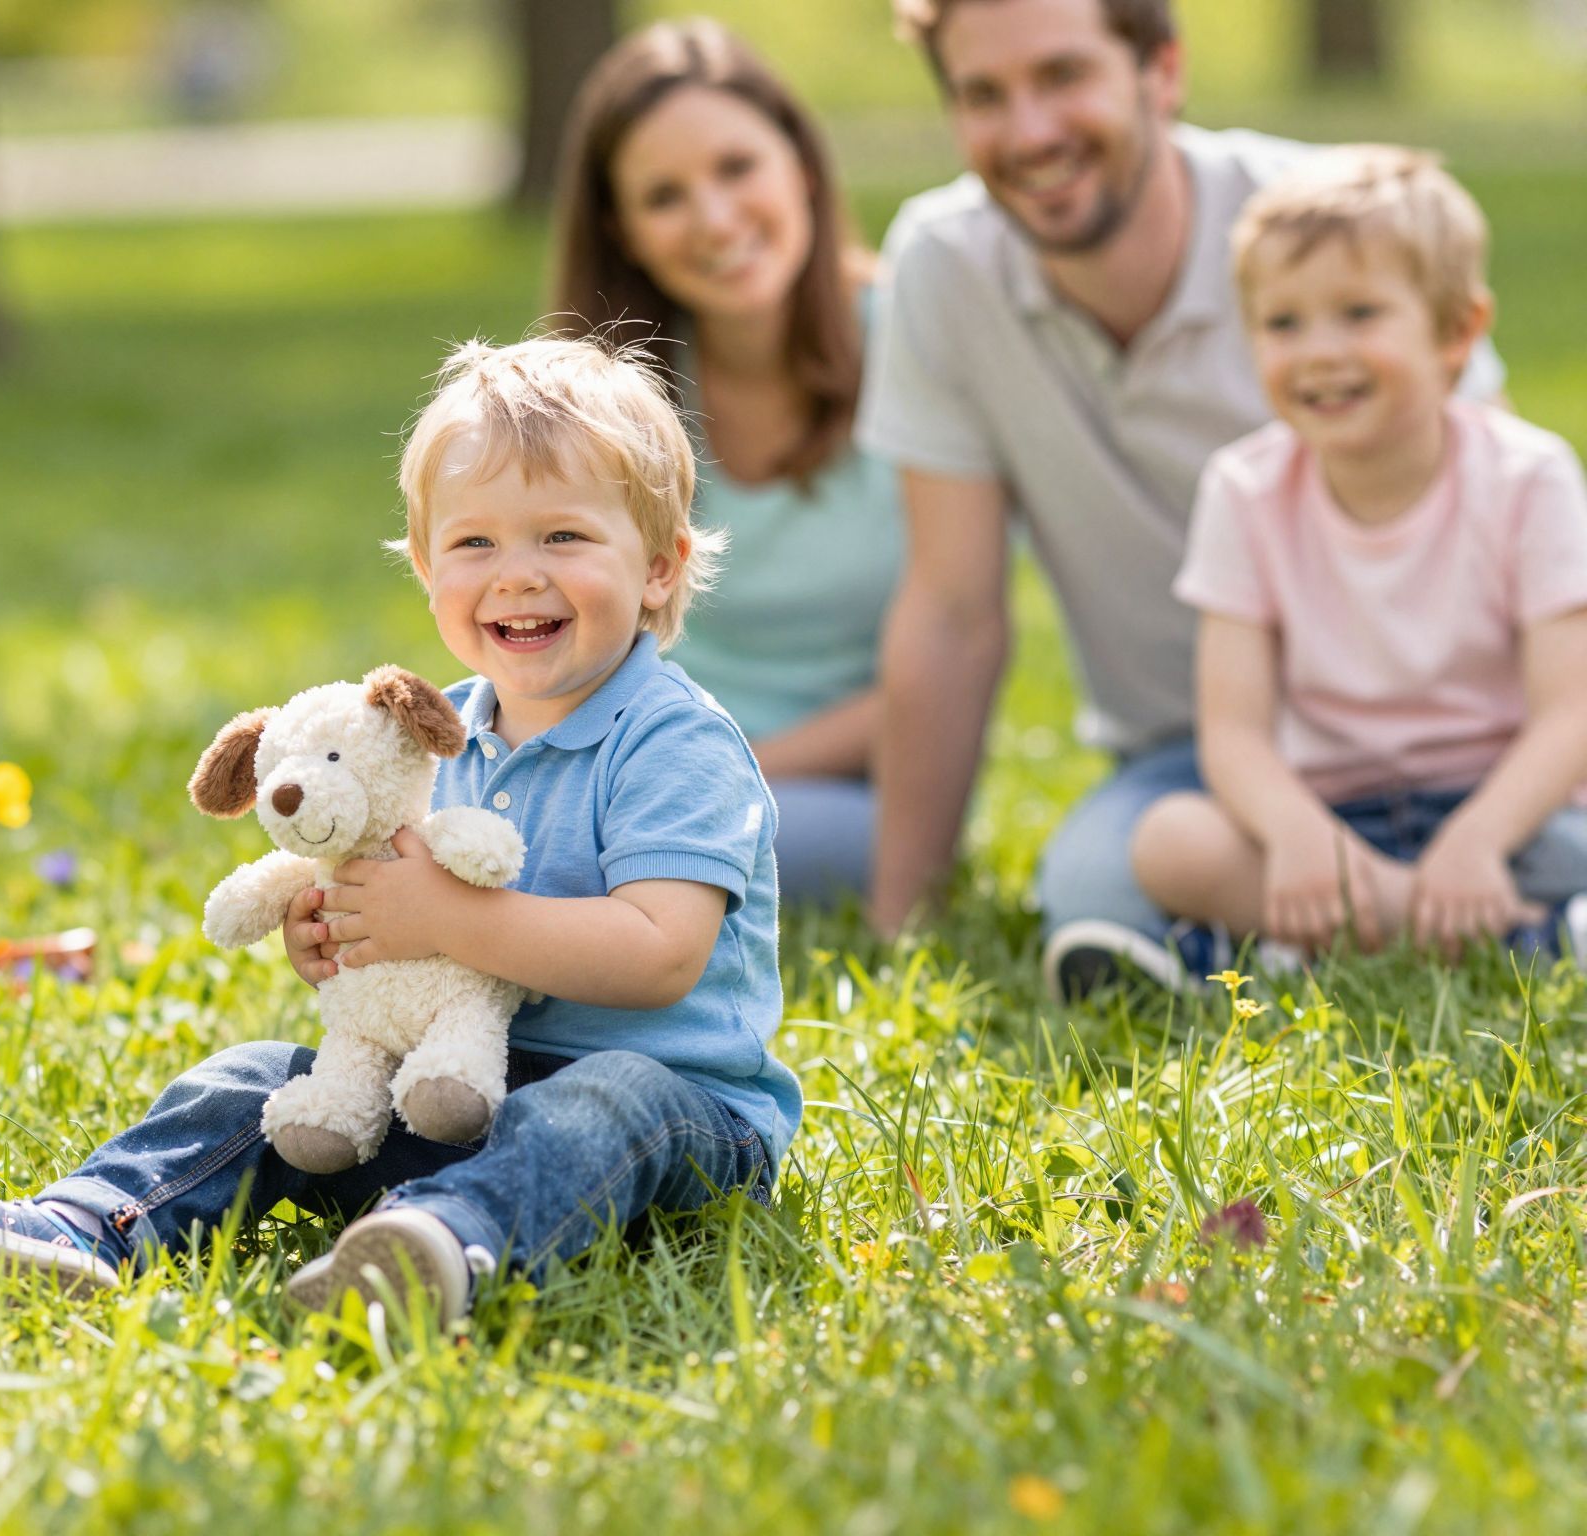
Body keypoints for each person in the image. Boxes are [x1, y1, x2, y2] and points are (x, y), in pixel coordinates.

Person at [0, 336, 800, 1324]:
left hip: (677, 1124)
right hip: (450, 1089)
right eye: (474, 544)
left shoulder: (674, 742)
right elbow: (400, 920)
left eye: (562, 538)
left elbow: (657, 955)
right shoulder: (429, 736)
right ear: (425, 567)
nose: (514, 576)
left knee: (602, 1099)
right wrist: (340, 935)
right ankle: (76, 1227)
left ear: (658, 566)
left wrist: (443, 921)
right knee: (248, 1080)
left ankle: (440, 1243)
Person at [855, 0, 1503, 996]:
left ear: (1160, 71)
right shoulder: (941, 266)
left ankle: (1330, 926)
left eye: (1063, 76)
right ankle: (1470, 926)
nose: (1028, 132)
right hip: (1202, 762)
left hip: (1448, 740)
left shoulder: (1335, 233)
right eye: (983, 94)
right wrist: (901, 922)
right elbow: (950, 611)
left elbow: (1495, 519)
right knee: (1090, 889)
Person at [1128, 148, 1587, 965]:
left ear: (1457, 333)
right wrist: (1307, 841)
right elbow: (1232, 735)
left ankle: (1321, 940)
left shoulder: (1530, 475)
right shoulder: (1244, 490)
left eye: (1360, 313)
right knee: (1171, 842)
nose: (1318, 352)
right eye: (1283, 323)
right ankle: (1516, 938)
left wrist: (1477, 839)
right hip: (1337, 819)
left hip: (1514, 814)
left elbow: (1569, 713)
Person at [549, 19, 904, 903]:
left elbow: (954, 654)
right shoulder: (602, 394)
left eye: (738, 168)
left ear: (802, 165)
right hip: (626, 773)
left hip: (848, 794)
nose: (714, 219)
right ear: (621, 229)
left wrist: (717, 773)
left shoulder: (916, 341)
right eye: (664, 196)